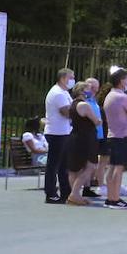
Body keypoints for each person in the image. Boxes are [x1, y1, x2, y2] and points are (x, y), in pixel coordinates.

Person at [101, 69, 127, 209]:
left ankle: (111, 197)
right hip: (122, 134)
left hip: (113, 134)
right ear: (121, 80)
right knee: (118, 167)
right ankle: (114, 198)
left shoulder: (109, 96)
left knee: (112, 166)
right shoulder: (122, 97)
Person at [43, 68, 76, 204]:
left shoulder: (64, 92)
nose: (73, 80)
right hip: (57, 132)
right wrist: (78, 113)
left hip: (63, 131)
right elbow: (66, 112)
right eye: (71, 77)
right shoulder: (58, 93)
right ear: (63, 78)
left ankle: (65, 192)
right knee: (54, 164)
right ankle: (50, 193)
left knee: (63, 165)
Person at [65, 83, 101, 206]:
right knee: (90, 166)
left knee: (74, 169)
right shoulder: (84, 105)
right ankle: (74, 193)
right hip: (86, 138)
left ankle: (76, 195)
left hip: (75, 136)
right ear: (81, 91)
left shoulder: (72, 105)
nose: (90, 91)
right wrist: (99, 120)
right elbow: (96, 120)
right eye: (87, 89)